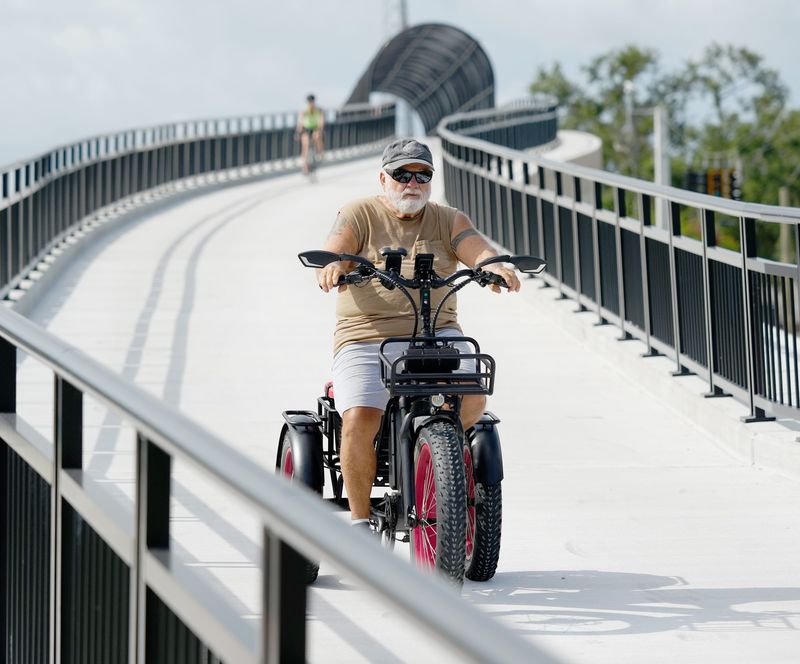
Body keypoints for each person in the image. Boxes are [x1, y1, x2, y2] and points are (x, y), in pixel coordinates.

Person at [316, 137, 521, 527]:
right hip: (366, 334)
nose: (413, 182)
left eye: (422, 174)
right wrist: (335, 266)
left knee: (474, 397)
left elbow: (476, 248)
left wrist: (494, 266)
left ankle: (434, 463)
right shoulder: (359, 213)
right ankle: (360, 524)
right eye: (402, 174)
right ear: (383, 178)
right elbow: (337, 250)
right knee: (359, 417)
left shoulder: (448, 218)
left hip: (437, 331)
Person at [296, 94, 325, 174]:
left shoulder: (319, 110)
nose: (310, 103)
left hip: (315, 128)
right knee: (305, 145)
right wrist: (298, 133)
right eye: (309, 102)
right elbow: (300, 123)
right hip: (306, 129)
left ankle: (320, 153)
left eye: (311, 102)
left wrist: (320, 129)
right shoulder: (304, 111)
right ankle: (305, 166)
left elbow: (321, 121)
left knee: (317, 136)